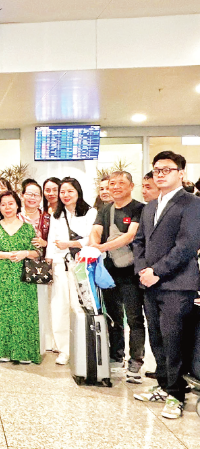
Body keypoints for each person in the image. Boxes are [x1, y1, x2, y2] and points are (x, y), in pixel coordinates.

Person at [132, 151, 200, 419]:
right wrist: (141, 270)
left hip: (177, 284)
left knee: (175, 340)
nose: (160, 174)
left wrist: (157, 271)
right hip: (149, 284)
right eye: (157, 170)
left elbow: (187, 245)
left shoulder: (191, 204)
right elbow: (138, 242)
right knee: (157, 338)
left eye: (167, 170)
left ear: (181, 173)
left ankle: (177, 395)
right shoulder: (150, 206)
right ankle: (164, 385)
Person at [88, 171, 146, 383]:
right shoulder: (105, 209)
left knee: (134, 318)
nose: (116, 187)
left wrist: (100, 247)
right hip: (109, 271)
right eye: (112, 183)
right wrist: (94, 244)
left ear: (131, 186)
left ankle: (136, 361)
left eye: (121, 183)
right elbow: (96, 230)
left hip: (131, 272)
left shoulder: (140, 208)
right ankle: (116, 355)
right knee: (113, 317)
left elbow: (130, 235)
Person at [0, 191, 41, 364]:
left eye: (10, 203)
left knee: (23, 311)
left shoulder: (28, 227)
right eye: (3, 204)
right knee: (1, 311)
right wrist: (6, 255)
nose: (7, 207)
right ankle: (2, 351)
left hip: (23, 277)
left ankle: (23, 353)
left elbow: (37, 251)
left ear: (17, 205)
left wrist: (24, 253)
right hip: (1, 275)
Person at [46, 177, 97, 366]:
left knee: (80, 306)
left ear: (78, 192)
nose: (65, 195)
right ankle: (63, 349)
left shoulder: (90, 213)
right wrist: (49, 262)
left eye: (70, 191)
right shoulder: (56, 215)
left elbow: (93, 238)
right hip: (60, 265)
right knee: (59, 307)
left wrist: (71, 244)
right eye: (63, 192)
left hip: (82, 265)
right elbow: (52, 240)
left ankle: (82, 346)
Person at [20, 180, 53, 353]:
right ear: (22, 195)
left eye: (36, 195)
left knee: (41, 304)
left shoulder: (48, 218)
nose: (32, 198)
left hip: (39, 268)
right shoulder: (15, 216)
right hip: (16, 265)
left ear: (41, 198)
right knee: (21, 304)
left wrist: (44, 242)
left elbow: (54, 242)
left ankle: (42, 341)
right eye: (29, 194)